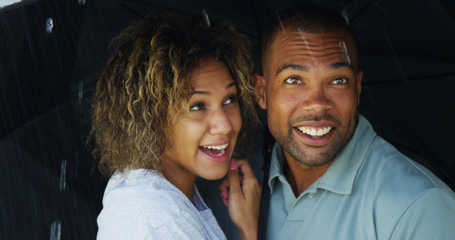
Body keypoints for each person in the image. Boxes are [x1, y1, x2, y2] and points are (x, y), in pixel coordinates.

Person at [208, 3, 455, 240]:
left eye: (338, 80)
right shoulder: (234, 187)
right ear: (261, 92)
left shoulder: (417, 207)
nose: (317, 103)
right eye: (294, 80)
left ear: (358, 88)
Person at [90, 11, 261, 239]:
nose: (225, 126)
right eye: (197, 106)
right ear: (150, 117)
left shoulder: (147, 192)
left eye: (230, 99)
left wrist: (246, 229)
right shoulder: (163, 222)